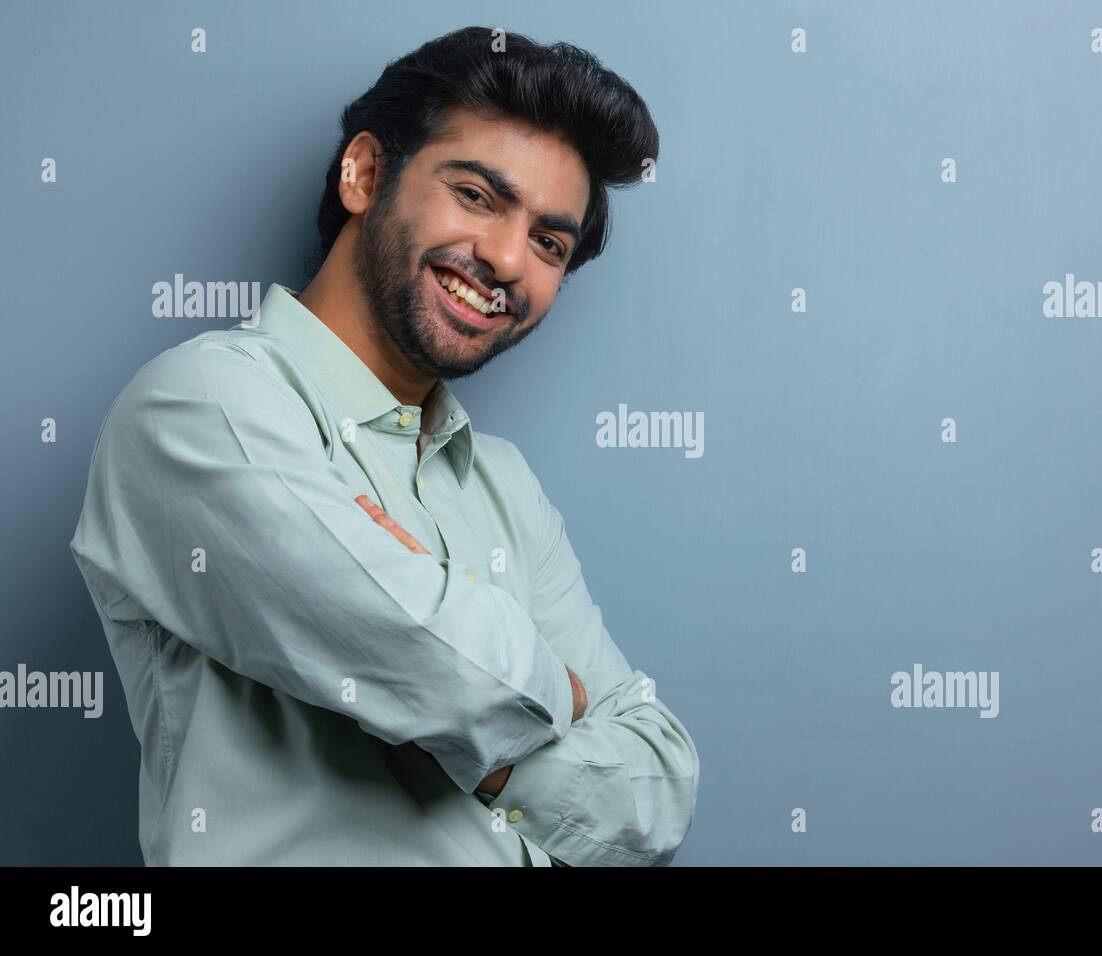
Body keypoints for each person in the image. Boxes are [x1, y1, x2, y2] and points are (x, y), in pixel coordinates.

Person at [69, 26, 699, 866]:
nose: (507, 258)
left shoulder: (504, 486)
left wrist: (478, 705)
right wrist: (567, 695)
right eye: (477, 195)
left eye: (549, 242)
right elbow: (440, 669)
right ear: (365, 173)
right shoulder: (201, 405)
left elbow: (658, 789)